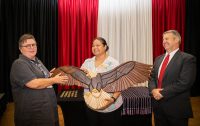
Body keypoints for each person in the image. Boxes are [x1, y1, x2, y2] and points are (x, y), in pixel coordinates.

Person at [10, 33, 68, 126]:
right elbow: (33, 83)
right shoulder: (19, 64)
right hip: (34, 115)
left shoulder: (37, 61)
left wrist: (50, 75)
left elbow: (42, 79)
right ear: (20, 49)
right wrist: (54, 80)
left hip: (47, 111)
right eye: (27, 46)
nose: (31, 47)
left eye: (33, 45)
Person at [148, 30, 196, 126]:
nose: (163, 41)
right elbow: (152, 77)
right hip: (158, 108)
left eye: (167, 39)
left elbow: (185, 82)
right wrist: (153, 90)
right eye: (163, 39)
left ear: (176, 40)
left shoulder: (187, 59)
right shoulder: (158, 59)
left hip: (176, 109)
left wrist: (162, 93)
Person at [81, 37, 123, 126]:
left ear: (105, 47)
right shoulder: (87, 62)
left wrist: (113, 99)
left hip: (110, 106)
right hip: (91, 105)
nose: (95, 47)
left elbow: (120, 84)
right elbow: (81, 81)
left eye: (98, 45)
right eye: (93, 45)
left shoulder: (113, 63)